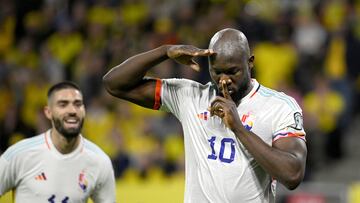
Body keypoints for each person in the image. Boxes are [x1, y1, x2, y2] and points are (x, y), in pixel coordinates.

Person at [103, 28, 307, 202]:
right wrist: (165, 51)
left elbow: (293, 174)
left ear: (250, 62)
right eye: (217, 72)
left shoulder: (279, 106)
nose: (224, 80)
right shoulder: (190, 96)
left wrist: (238, 127)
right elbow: (114, 84)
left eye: (232, 71)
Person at [0, 81, 116, 203]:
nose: (72, 110)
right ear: (48, 112)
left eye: (78, 104)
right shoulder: (19, 155)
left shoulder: (99, 161)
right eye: (63, 104)